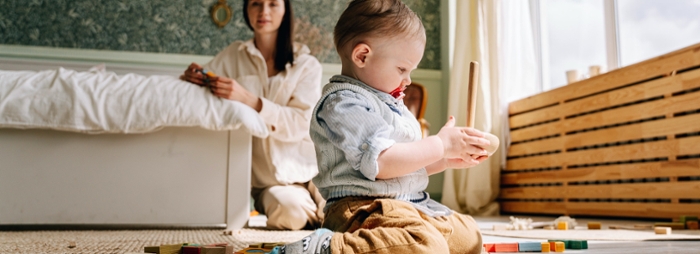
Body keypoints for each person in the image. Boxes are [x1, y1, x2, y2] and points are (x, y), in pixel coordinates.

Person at [275, 0, 496, 253]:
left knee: (469, 236)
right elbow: (383, 163)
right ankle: (327, 247)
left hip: (405, 205)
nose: (408, 79)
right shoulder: (343, 103)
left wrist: (445, 158)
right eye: (402, 68)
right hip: (360, 210)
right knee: (426, 245)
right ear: (362, 56)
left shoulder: (389, 102)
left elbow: (403, 166)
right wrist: (440, 144)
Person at [180, 0, 325, 231]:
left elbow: (300, 124)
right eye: (256, 3)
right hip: (270, 183)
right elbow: (199, 83)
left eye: (272, 4)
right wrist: (192, 75)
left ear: (285, 9)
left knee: (342, 207)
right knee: (290, 214)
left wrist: (250, 100)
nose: (263, 11)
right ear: (247, 9)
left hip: (313, 171)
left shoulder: (307, 65)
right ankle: (321, 218)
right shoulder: (233, 56)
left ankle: (324, 213)